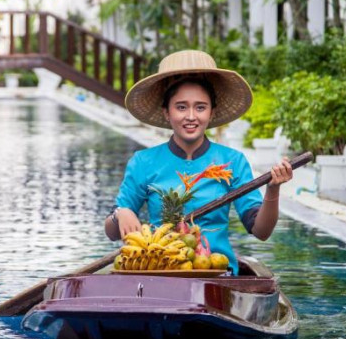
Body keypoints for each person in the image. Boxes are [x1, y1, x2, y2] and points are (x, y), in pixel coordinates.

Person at [104, 50, 293, 275]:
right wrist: (121, 212)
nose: (191, 116)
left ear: (211, 113)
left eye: (200, 107)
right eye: (181, 107)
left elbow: (261, 231)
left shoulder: (233, 161)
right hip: (161, 271)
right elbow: (112, 233)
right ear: (166, 112)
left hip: (218, 274)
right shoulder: (143, 162)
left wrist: (273, 189)